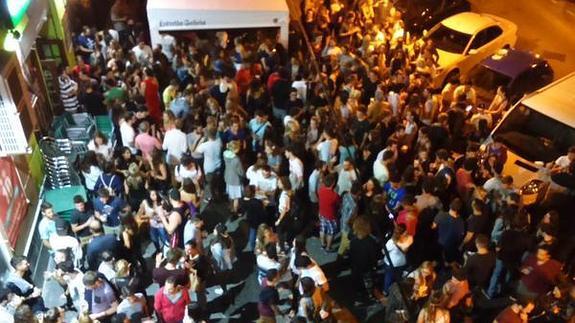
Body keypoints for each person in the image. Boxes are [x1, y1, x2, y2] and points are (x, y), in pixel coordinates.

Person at [433, 198, 465, 264]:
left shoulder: (441, 215)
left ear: (450, 205)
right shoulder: (461, 221)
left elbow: (433, 226)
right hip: (451, 244)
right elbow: (461, 235)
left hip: (439, 241)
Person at [317, 174, 340, 252]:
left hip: (322, 214)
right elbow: (338, 204)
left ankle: (322, 244)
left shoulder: (321, 190)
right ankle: (328, 247)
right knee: (331, 232)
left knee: (322, 229)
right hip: (331, 216)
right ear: (333, 183)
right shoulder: (334, 196)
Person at [223, 140, 245, 213]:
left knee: (230, 195)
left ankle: (230, 207)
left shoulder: (225, 154)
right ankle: (235, 211)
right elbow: (240, 172)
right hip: (236, 180)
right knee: (236, 198)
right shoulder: (236, 160)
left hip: (228, 177)